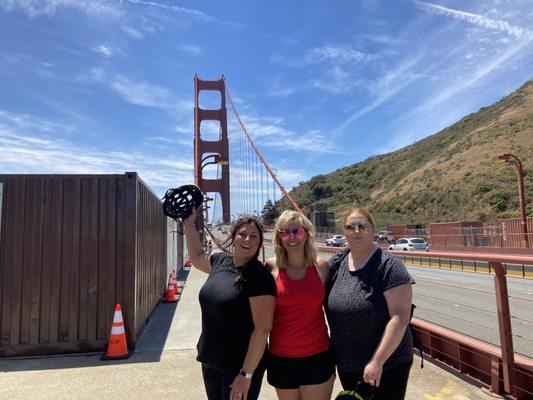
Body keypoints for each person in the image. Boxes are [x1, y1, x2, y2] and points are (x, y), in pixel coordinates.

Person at [183, 209, 276, 400]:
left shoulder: (259, 276)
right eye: (242, 234)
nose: (247, 240)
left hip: (238, 367)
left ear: (259, 242)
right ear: (234, 236)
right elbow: (197, 257)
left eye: (253, 236)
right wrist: (188, 223)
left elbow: (262, 329)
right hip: (211, 359)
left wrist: (246, 374)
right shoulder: (220, 261)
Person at [325, 208, 414, 400]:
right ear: (344, 231)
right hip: (348, 363)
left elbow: (400, 318)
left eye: (362, 226)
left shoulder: (389, 265)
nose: (357, 231)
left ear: (372, 230)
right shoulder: (337, 262)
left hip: (386, 365)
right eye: (351, 227)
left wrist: (377, 362)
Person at [264, 210, 335, 400]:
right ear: (279, 237)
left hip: (317, 355)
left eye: (296, 231)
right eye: (285, 233)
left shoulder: (321, 267)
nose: (291, 237)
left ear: (306, 233)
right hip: (281, 357)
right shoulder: (270, 268)